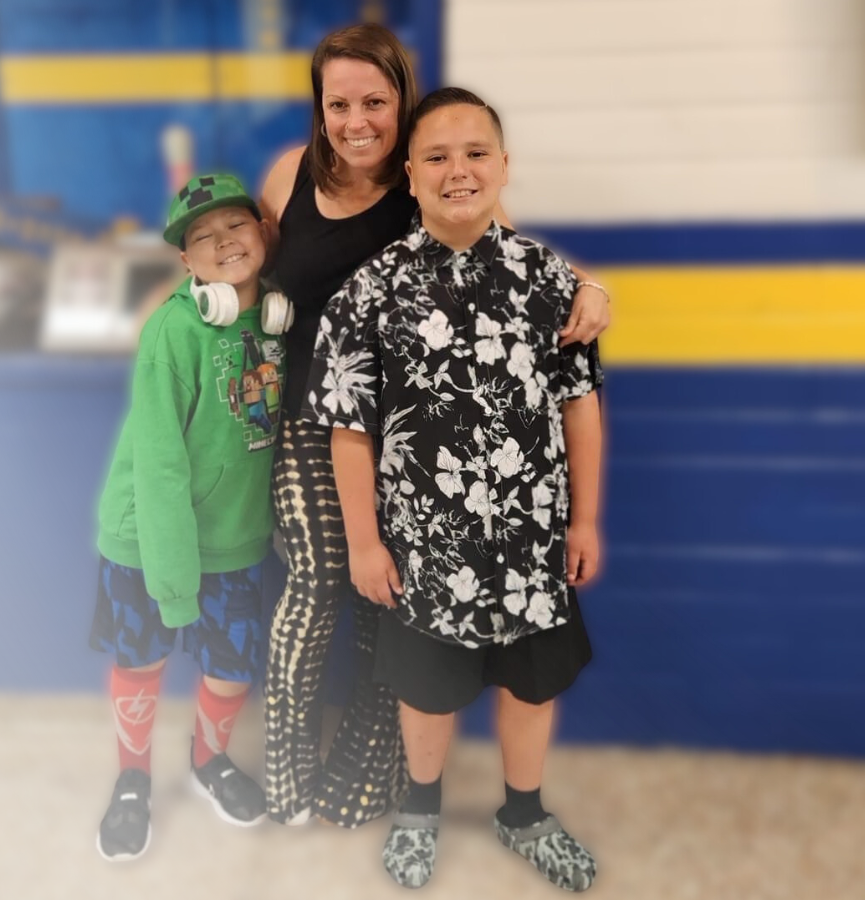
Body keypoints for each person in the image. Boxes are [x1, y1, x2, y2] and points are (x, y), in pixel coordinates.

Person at [258, 23, 612, 828]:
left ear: (400, 104)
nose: (356, 120)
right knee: (321, 583)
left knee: (391, 606)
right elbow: (242, 267)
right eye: (338, 102)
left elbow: (508, 250)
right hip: (314, 420)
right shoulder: (288, 176)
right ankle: (285, 764)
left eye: (374, 101)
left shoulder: (433, 171)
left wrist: (590, 289)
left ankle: (372, 776)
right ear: (319, 109)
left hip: (414, 441)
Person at [90, 173, 291, 860]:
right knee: (141, 659)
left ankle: (208, 759)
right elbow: (160, 463)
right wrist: (172, 579)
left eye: (236, 226)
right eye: (203, 237)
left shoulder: (279, 323)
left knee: (232, 666)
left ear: (263, 234)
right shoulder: (172, 332)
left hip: (234, 539)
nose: (223, 242)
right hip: (148, 537)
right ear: (186, 263)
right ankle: (131, 781)